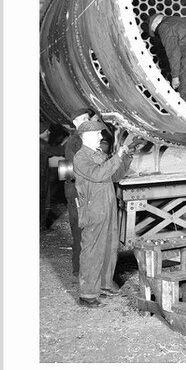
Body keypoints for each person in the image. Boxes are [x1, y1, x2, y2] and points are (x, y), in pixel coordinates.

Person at [73, 120, 133, 308]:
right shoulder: (81, 157)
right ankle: (88, 295)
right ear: (86, 136)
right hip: (93, 208)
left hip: (107, 204)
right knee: (92, 250)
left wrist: (126, 157)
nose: (101, 136)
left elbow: (114, 176)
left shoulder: (100, 154)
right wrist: (117, 156)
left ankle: (105, 285)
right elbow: (98, 174)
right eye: (97, 134)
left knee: (109, 245)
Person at [63, 107, 94, 277]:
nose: (86, 122)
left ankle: (84, 267)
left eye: (87, 119)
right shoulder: (75, 142)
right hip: (76, 189)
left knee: (84, 227)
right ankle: (79, 268)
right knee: (79, 228)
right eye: (82, 119)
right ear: (75, 123)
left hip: (80, 187)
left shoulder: (81, 139)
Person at [39, 121, 65, 230]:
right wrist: (68, 143)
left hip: (42, 175)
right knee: (43, 200)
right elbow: (58, 151)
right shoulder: (41, 144)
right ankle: (41, 226)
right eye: (46, 130)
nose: (49, 132)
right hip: (41, 177)